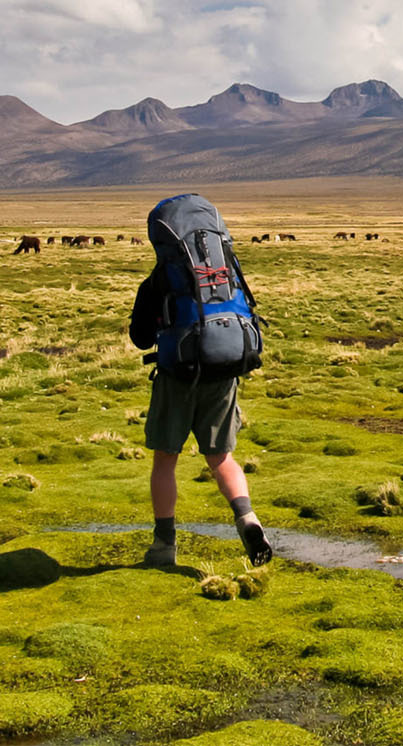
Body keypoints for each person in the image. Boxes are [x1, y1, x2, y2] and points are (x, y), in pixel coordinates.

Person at [129, 196, 271, 570]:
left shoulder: (160, 279)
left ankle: (164, 545)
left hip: (177, 375)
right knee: (221, 457)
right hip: (224, 372)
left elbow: (141, 339)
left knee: (165, 459)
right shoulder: (226, 272)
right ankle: (248, 519)